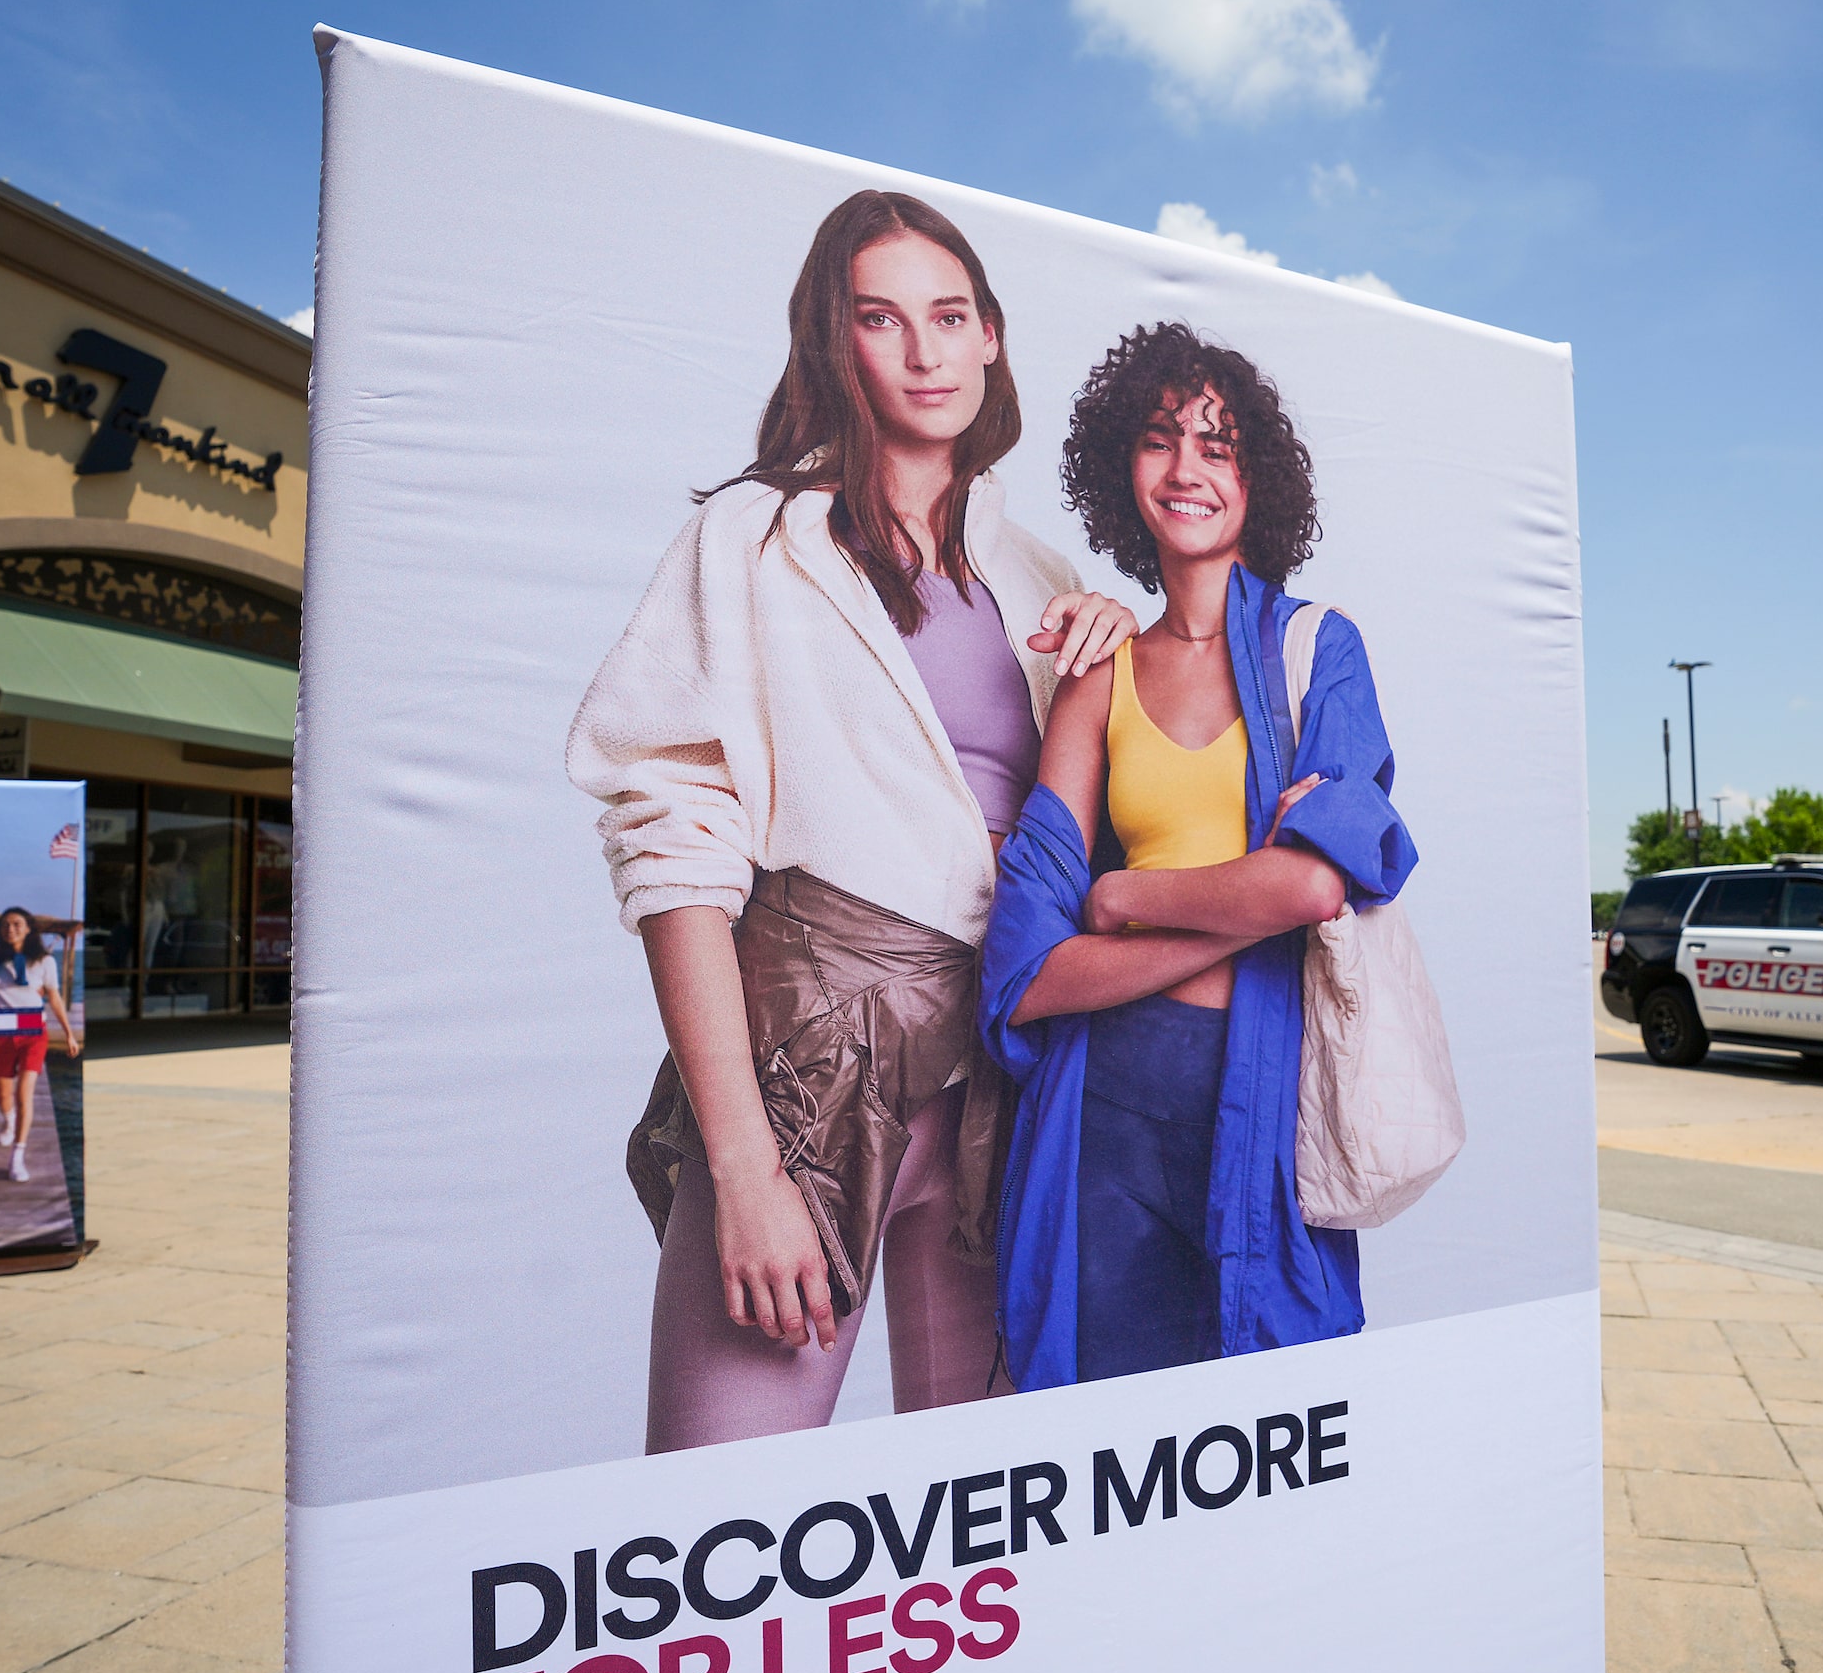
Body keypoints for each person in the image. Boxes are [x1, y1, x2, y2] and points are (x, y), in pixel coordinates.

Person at [567, 189, 1139, 1453]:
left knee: (989, 1515)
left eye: (951, 315)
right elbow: (672, 854)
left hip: (1009, 1079)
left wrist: (1122, 663)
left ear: (992, 335)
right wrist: (744, 1170)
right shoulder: (752, 541)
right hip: (811, 1073)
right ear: (837, 339)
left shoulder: (1041, 576)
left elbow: (1092, 840)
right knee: (720, 1525)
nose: (924, 352)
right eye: (882, 319)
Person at [980, 323, 1419, 1389]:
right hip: (1106, 1114)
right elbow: (1028, 973)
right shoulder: (1100, 673)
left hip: (1264, 1097)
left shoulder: (1320, 651)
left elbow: (1322, 880)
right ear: (1119, 466)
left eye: (1217, 447)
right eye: (1161, 439)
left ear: (1257, 476)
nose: (1186, 470)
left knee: (1269, 1419)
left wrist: (1126, 896)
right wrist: (1235, 907)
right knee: (1099, 1444)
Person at [0, 906, 79, 1184]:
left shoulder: (44, 961)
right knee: (3, 1094)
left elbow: (54, 997)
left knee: (25, 1093)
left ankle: (17, 1156)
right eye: (6, 925)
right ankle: (8, 1120)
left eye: (17, 924)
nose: (11, 929)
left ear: (29, 928)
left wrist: (69, 1032)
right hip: (0, 1031)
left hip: (33, 1031)